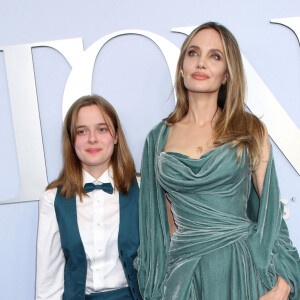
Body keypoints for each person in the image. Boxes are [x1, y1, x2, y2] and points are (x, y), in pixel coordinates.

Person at [135, 22, 300, 299]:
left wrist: (283, 282)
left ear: (226, 74)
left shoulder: (250, 130)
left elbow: (271, 213)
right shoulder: (158, 138)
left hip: (242, 268)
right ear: (181, 66)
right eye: (193, 53)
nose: (201, 63)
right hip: (186, 275)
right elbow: (162, 226)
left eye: (215, 56)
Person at [36, 95, 142, 300]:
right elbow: (48, 283)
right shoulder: (53, 200)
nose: (92, 139)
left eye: (102, 129)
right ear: (72, 139)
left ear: (116, 136)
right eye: (82, 131)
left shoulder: (143, 189)